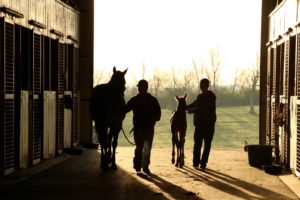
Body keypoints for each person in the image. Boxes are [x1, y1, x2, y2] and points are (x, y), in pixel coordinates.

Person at [124, 79, 161, 173]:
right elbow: (158, 115)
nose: (140, 89)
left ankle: (139, 166)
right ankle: (143, 166)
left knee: (140, 147)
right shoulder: (152, 100)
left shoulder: (135, 99)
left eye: (140, 87)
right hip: (146, 128)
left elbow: (125, 109)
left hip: (141, 128)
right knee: (144, 148)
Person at [186, 78, 216, 171]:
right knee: (197, 144)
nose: (201, 87)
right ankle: (196, 162)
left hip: (208, 124)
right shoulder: (200, 96)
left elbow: (203, 108)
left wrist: (192, 110)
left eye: (203, 85)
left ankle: (203, 163)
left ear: (207, 86)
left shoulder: (211, 97)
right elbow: (195, 104)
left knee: (206, 145)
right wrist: (184, 106)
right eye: (200, 85)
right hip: (199, 124)